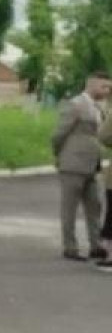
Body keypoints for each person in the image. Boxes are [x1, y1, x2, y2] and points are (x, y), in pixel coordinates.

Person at [52, 71, 111, 261]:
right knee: (69, 208)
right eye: (104, 86)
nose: (107, 90)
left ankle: (96, 245)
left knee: (95, 206)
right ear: (91, 85)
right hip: (73, 163)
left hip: (93, 165)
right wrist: (61, 156)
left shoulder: (100, 107)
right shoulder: (75, 104)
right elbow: (58, 134)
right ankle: (70, 247)